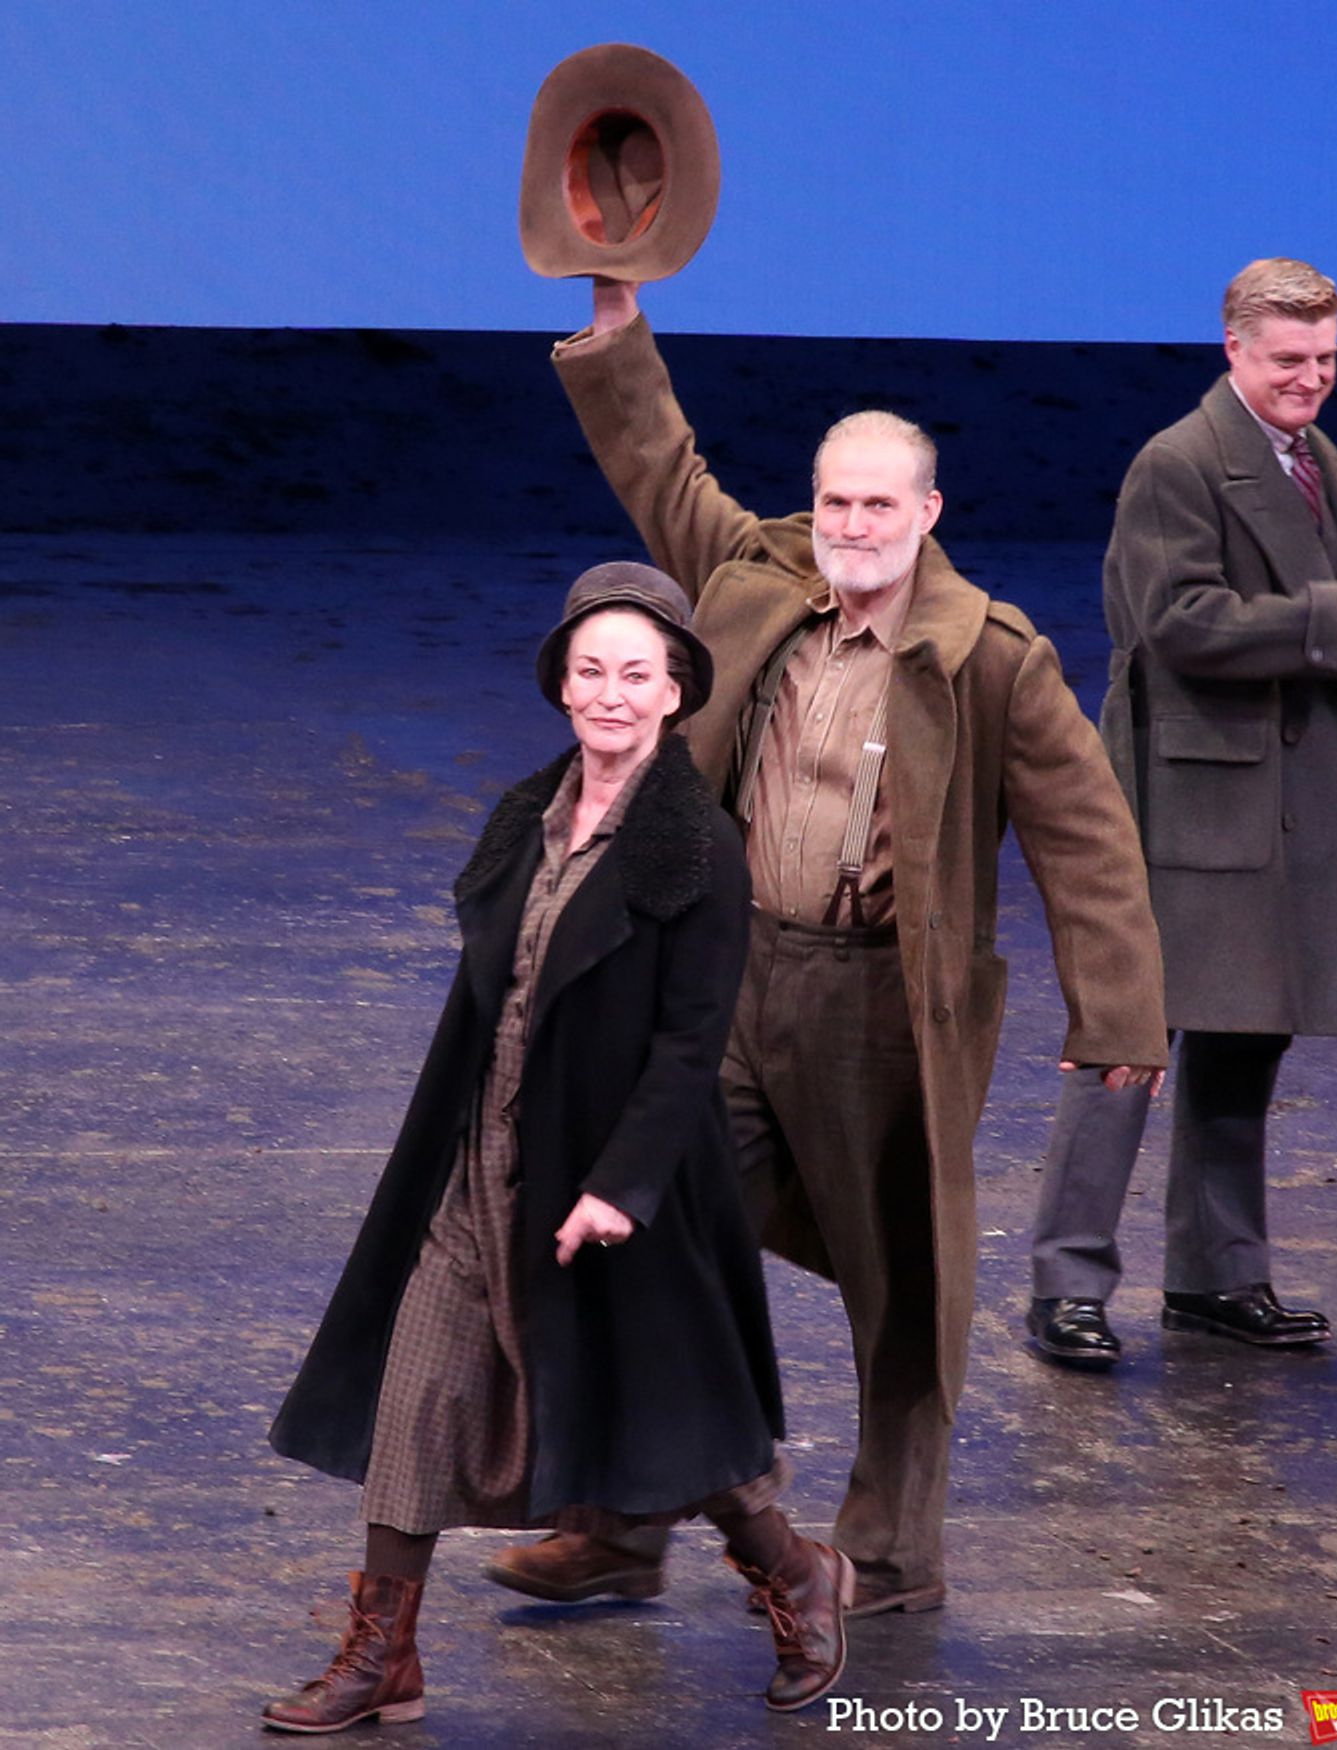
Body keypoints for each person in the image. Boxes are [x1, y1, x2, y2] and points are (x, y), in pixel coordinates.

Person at [481, 279, 1168, 1620]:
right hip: (733, 984)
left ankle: (893, 1552)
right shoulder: (758, 581)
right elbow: (661, 470)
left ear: (928, 514)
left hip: (882, 1011)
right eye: (835, 500)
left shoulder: (989, 659)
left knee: (902, 1286)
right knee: (648, 1229)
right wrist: (618, 325)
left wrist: (1122, 1016)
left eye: (879, 504)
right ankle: (619, 1522)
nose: (852, 526)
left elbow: (1087, 840)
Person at [263, 563, 854, 1731]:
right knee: (418, 1395)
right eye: (591, 671)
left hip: (615, 1182)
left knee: (669, 1424)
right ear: (561, 685)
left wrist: (619, 1186)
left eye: (637, 673)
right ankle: (383, 1652)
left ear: (677, 691)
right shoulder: (523, 820)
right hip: (480, 1166)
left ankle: (791, 1569)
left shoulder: (697, 851)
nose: (611, 694)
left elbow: (691, 1048)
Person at [1026, 258, 1337, 1367]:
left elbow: (1316, 573)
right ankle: (1064, 1283)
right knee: (1127, 1040)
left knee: (1246, 1035)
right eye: (1288, 361)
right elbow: (1177, 621)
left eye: (1326, 360)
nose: (1310, 381)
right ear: (1231, 348)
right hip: (1190, 801)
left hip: (1276, 799)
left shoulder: (1311, 458)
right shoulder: (1176, 465)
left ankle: (1216, 1275)